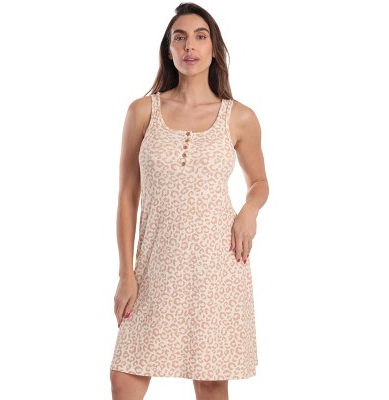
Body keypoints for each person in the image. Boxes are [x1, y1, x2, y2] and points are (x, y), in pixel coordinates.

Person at [109, 2, 269, 399]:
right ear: (168, 50)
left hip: (217, 266)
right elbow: (127, 195)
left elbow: (259, 182)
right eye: (179, 38)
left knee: (211, 381)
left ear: (214, 48)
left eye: (200, 37)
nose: (189, 46)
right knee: (125, 375)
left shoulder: (239, 117)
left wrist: (249, 211)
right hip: (155, 266)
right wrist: (126, 273)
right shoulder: (142, 111)